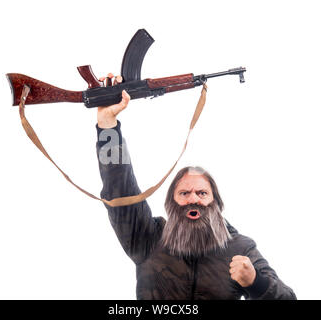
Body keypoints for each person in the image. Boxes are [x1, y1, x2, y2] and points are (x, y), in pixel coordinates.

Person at [96, 74, 296, 300]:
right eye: (184, 193)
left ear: (216, 203)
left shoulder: (240, 248)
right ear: (171, 203)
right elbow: (120, 190)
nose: (193, 199)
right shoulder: (147, 238)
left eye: (202, 193)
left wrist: (256, 283)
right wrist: (107, 126)